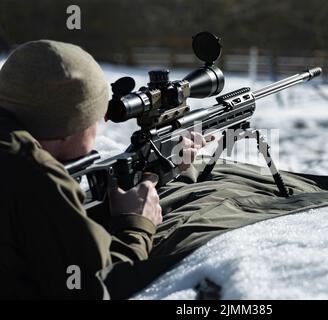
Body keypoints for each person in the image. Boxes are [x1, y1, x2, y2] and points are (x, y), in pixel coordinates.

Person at [0, 40, 206, 299]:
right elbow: (100, 286)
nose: (98, 127)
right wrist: (136, 223)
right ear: (71, 126)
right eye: (96, 117)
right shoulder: (36, 174)